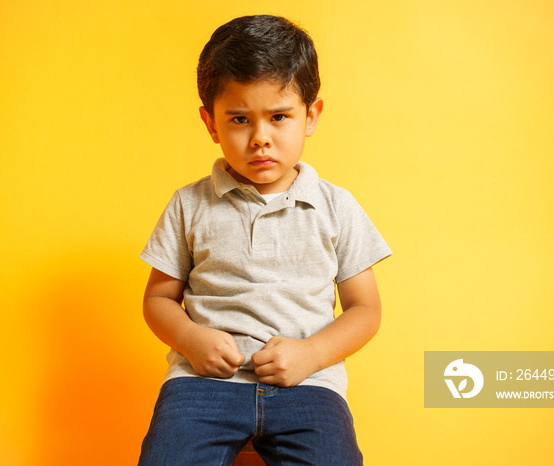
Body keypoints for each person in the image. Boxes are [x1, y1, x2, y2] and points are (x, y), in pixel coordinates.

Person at [137, 14, 392, 465]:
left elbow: (365, 310)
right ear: (211, 123)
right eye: (239, 119)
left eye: (279, 117)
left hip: (307, 386)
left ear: (310, 116)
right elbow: (157, 301)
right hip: (202, 387)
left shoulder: (336, 206)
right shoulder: (189, 204)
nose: (260, 139)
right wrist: (193, 340)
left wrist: (311, 353)